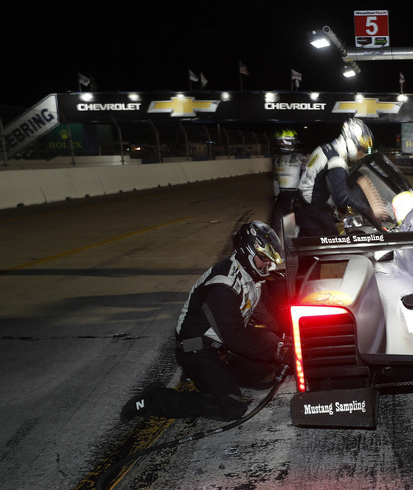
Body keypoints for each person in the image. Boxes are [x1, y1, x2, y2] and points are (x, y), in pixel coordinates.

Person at [121, 221, 290, 422]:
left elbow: (264, 311)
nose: (268, 265)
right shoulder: (222, 287)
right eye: (264, 258)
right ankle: (153, 400)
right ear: (247, 251)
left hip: (222, 347)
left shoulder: (250, 275)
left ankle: (213, 376)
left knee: (266, 377)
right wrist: (278, 351)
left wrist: (287, 332)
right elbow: (236, 338)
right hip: (197, 349)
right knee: (231, 407)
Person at [295, 118, 373, 236]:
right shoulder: (336, 161)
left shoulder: (325, 148)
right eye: (360, 148)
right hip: (313, 212)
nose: (361, 153)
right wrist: (368, 210)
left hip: (304, 207)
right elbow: (343, 199)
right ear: (351, 140)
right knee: (333, 244)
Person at [271, 129, 306, 237]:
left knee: (294, 229)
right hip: (282, 197)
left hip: (296, 196)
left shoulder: (301, 159)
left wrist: (303, 198)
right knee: (275, 228)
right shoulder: (277, 159)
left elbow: (307, 180)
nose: (281, 144)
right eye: (280, 141)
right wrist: (276, 197)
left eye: (285, 141)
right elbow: (276, 180)